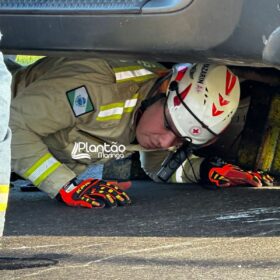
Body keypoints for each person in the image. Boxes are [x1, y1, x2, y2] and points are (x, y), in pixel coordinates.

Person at [9, 57, 273, 209]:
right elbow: (11, 126)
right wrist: (64, 185)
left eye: (181, 140)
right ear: (162, 90)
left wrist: (207, 170)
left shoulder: (157, 113)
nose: (165, 141)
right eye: (170, 126)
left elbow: (157, 167)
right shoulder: (97, 87)